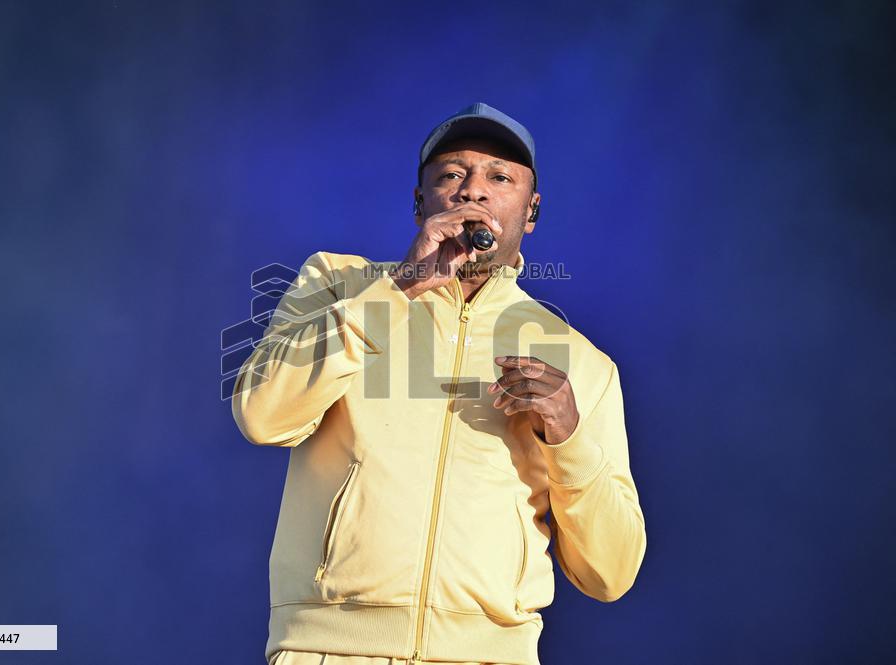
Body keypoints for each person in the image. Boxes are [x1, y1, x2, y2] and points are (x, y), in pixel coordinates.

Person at [231, 103, 647, 665]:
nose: (473, 190)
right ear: (420, 202)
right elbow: (261, 415)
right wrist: (401, 288)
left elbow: (611, 573)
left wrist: (569, 437)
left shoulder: (582, 363)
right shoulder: (336, 284)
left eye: (499, 177)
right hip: (325, 650)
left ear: (531, 212)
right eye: (452, 175)